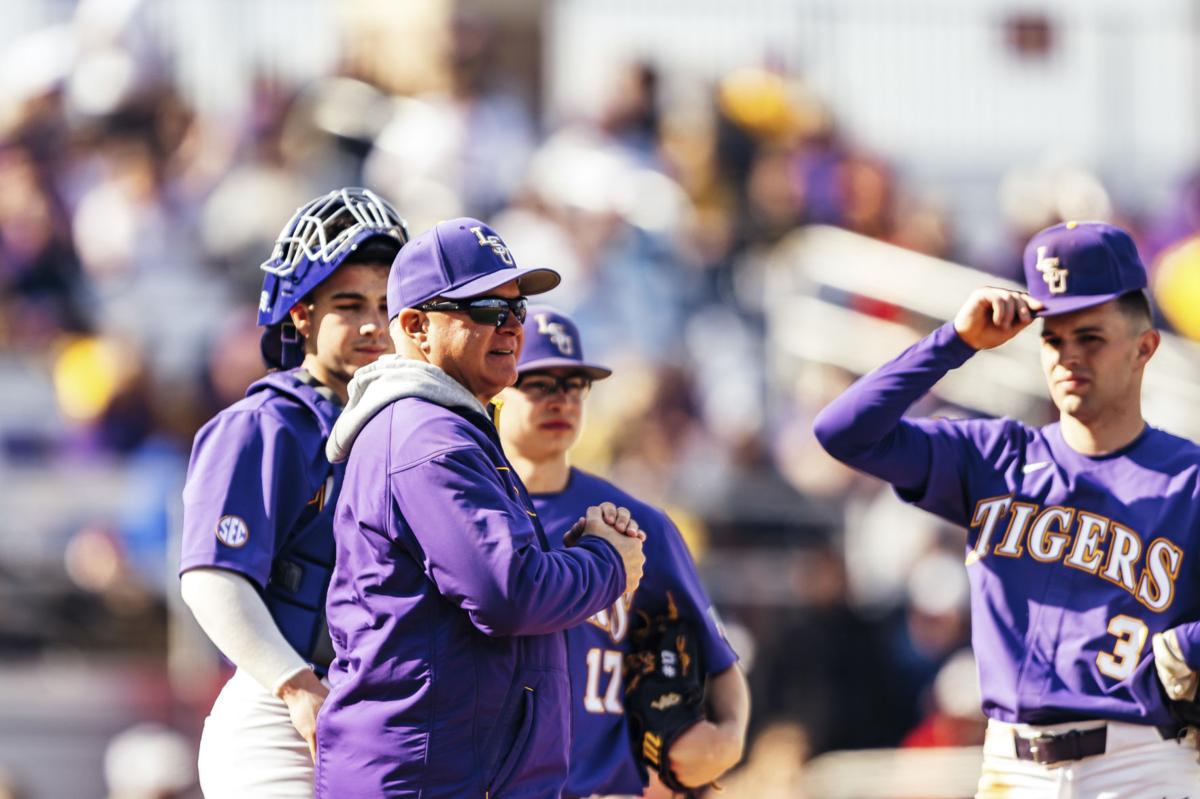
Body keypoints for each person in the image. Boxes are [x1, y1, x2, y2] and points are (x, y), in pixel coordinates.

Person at [813, 220, 1200, 797]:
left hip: (1141, 765)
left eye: (1089, 337)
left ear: (1144, 347)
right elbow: (844, 432)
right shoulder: (993, 457)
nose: (1068, 357)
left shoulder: (1189, 477)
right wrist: (955, 341)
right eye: (1053, 340)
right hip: (1008, 767)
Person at [316, 218, 647, 798]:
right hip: (424, 780)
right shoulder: (426, 438)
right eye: (487, 309)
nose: (513, 328)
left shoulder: (450, 428)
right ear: (417, 325)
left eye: (517, 310)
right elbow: (508, 594)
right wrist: (607, 563)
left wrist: (574, 552)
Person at [178, 188, 409, 797]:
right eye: (348, 304)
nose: (372, 324)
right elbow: (211, 576)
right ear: (301, 314)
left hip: (376, 715)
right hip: (280, 710)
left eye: (387, 305)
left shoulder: (407, 429)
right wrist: (294, 685)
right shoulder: (264, 424)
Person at [495, 306, 750, 799]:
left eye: (574, 385)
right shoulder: (466, 516)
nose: (560, 400)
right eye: (539, 383)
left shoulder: (640, 523)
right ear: (498, 393)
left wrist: (731, 737)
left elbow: (718, 659)